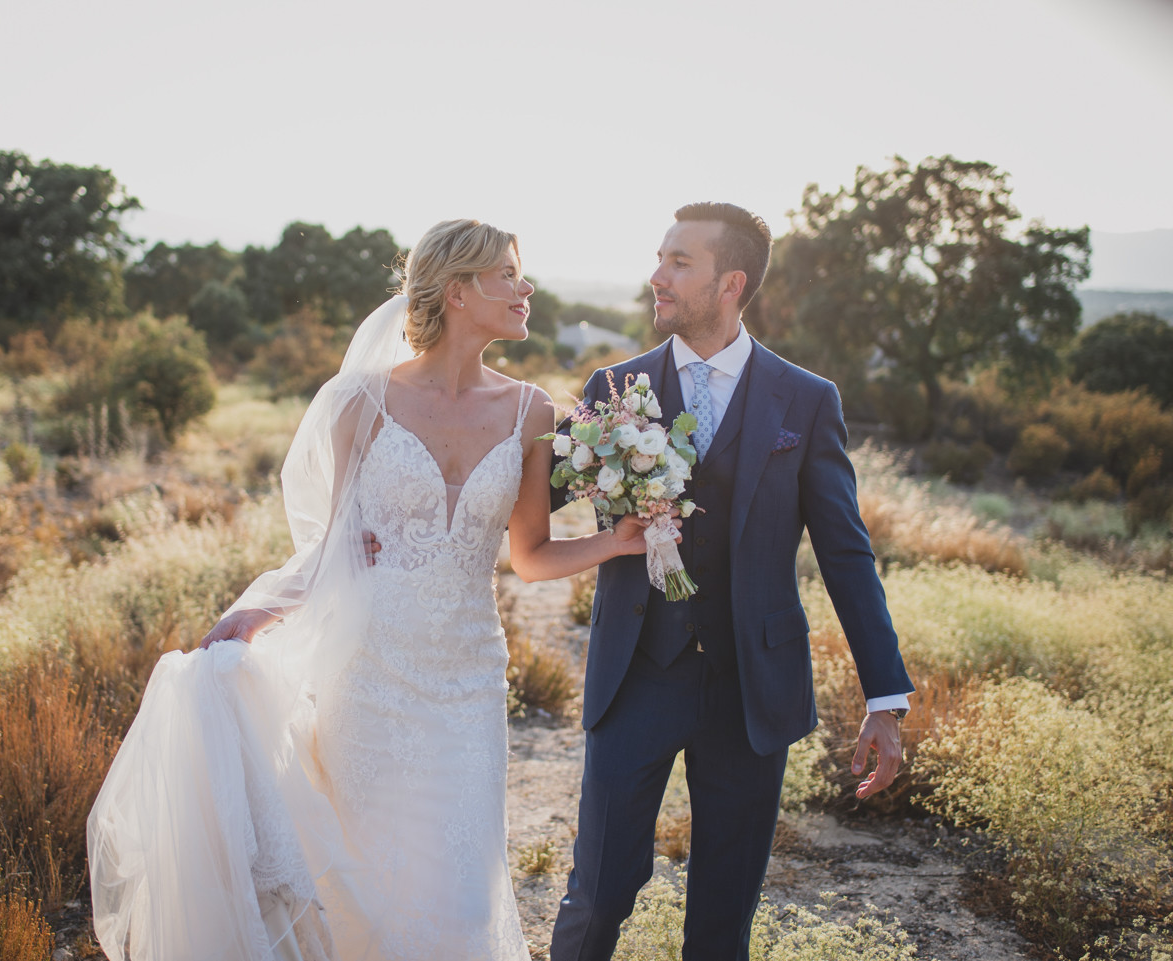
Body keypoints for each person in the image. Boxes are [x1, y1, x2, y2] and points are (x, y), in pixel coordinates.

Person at [86, 219, 665, 961]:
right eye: (510, 275)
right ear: (459, 292)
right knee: (372, 891)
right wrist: (264, 608)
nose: (526, 290)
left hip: (467, 679)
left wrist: (615, 541)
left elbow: (530, 554)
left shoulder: (533, 412)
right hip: (370, 674)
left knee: (460, 895)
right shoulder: (360, 401)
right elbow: (334, 544)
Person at [547, 203, 915, 961]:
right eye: (660, 257)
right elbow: (538, 496)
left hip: (754, 688)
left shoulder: (807, 399)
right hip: (635, 677)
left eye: (680, 261)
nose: (658, 275)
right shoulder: (614, 385)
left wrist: (886, 695)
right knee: (599, 892)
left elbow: (846, 552)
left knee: (723, 917)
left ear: (731, 282)